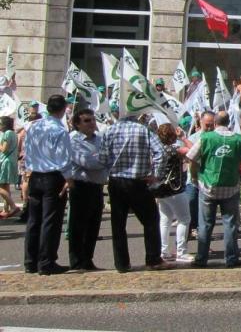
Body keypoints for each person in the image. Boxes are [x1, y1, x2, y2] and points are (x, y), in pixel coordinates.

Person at [99, 103, 169, 272]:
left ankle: (121, 263)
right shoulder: (143, 130)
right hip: (138, 181)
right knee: (151, 220)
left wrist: (111, 168)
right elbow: (161, 153)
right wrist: (156, 175)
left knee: (118, 224)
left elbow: (102, 158)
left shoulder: (109, 131)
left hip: (116, 181)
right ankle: (153, 259)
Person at [186, 111, 241, 268]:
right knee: (230, 224)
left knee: (205, 224)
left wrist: (194, 176)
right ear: (229, 122)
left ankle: (201, 258)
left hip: (208, 185)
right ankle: (231, 258)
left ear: (215, 123)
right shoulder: (240, 140)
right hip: (230, 186)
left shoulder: (205, 138)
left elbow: (191, 157)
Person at [23, 95, 73, 275]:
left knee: (34, 220)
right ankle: (46, 261)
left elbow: (27, 151)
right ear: (63, 109)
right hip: (53, 176)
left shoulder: (34, 127)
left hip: (36, 175)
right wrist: (68, 179)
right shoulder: (59, 130)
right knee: (50, 220)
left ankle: (30, 261)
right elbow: (64, 158)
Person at [67, 109, 107, 270]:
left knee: (93, 224)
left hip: (97, 186)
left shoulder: (99, 139)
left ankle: (88, 259)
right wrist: (101, 160)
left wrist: (100, 160)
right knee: (78, 225)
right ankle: (77, 261)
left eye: (92, 120)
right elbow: (88, 163)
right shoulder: (73, 140)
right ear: (77, 124)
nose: (91, 123)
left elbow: (107, 158)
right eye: (87, 121)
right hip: (81, 186)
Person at [152, 123, 192, 263]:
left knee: (165, 220)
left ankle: (163, 251)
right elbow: (193, 151)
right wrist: (184, 137)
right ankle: (181, 251)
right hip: (175, 188)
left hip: (160, 189)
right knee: (184, 219)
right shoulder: (174, 149)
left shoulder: (157, 149)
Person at [0, 116, 21, 218]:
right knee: (5, 186)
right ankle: (6, 209)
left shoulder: (7, 133)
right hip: (10, 161)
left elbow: (4, 149)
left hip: (6, 161)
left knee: (1, 186)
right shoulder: (13, 133)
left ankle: (13, 206)